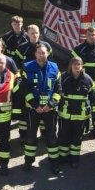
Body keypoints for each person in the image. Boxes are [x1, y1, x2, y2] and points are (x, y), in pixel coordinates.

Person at [22, 43, 62, 174]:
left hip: (49, 110)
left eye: (43, 53)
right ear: (35, 54)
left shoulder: (55, 68)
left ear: (48, 54)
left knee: (51, 136)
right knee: (30, 136)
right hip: (33, 109)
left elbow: (58, 90)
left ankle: (54, 163)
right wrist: (35, 105)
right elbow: (24, 89)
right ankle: (28, 161)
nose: (41, 55)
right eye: (39, 53)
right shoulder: (27, 67)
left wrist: (50, 105)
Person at [57, 56, 94, 168]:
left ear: (82, 66)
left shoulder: (88, 79)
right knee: (63, 135)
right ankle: (63, 157)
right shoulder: (63, 77)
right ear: (71, 65)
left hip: (80, 115)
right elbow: (58, 92)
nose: (77, 66)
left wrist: (89, 113)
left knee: (77, 137)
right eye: (75, 64)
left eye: (79, 64)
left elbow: (92, 97)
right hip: (65, 113)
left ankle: (74, 159)